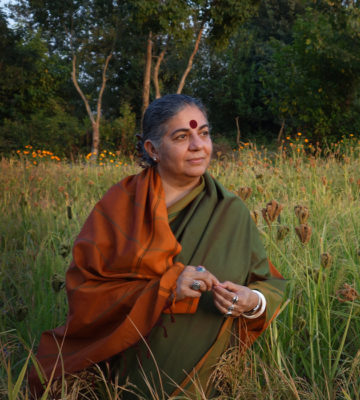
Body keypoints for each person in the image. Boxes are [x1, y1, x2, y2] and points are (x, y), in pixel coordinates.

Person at [29, 94, 286, 398]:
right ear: (152, 149)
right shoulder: (120, 206)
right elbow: (85, 291)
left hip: (204, 383)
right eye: (181, 136)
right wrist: (166, 289)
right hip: (120, 376)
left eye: (203, 133)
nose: (198, 145)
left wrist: (253, 301)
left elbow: (268, 282)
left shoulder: (231, 211)